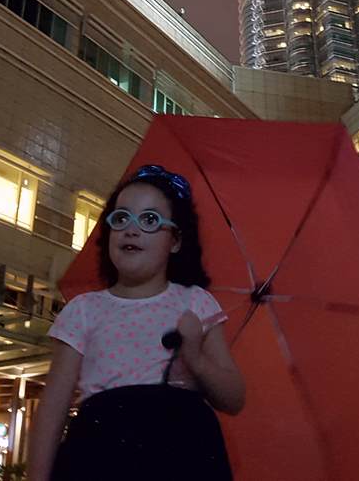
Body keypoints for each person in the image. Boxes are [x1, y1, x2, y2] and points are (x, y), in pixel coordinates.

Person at [27, 164, 245, 480]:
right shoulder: (84, 309)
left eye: (150, 220)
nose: (132, 229)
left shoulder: (195, 302)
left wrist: (196, 359)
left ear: (175, 241)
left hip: (184, 452)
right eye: (121, 218)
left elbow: (234, 398)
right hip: (101, 451)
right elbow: (52, 409)